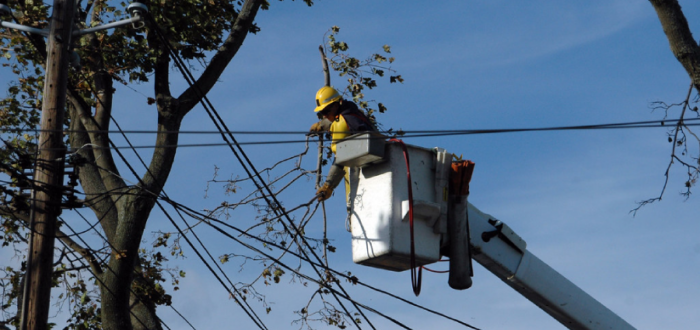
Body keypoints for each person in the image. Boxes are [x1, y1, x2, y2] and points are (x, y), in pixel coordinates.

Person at [309, 86, 376, 201]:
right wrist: (321, 125)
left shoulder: (341, 124)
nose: (324, 115)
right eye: (321, 112)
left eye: (326, 111)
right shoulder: (353, 111)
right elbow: (339, 117)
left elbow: (341, 157)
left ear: (335, 105)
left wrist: (328, 186)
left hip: (365, 174)